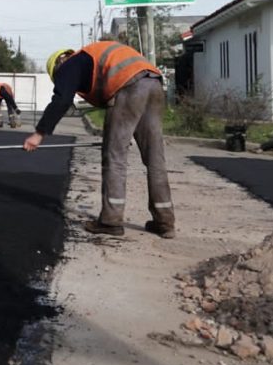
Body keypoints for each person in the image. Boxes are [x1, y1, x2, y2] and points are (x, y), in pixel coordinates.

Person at [23, 41, 175, 239]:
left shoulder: (69, 65)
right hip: (153, 82)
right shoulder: (92, 58)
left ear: (57, 66)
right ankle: (164, 222)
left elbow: (61, 100)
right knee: (155, 157)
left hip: (129, 85)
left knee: (115, 157)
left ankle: (111, 221)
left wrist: (39, 134)